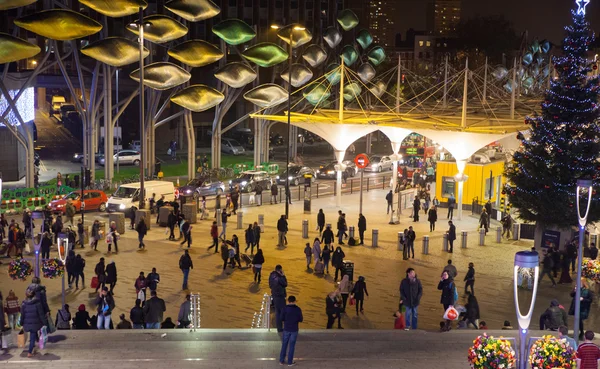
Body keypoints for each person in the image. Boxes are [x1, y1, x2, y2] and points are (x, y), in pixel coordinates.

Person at [20, 287, 47, 357]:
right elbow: (41, 314)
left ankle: (34, 346)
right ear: (34, 295)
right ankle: (29, 352)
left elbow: (22, 315)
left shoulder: (23, 304)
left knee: (33, 335)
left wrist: (21, 322)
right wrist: (44, 323)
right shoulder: (37, 303)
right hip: (35, 323)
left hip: (27, 323)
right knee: (32, 336)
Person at [279, 295, 303, 366]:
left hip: (286, 329)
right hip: (294, 329)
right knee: (292, 346)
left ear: (288, 301)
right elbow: (301, 319)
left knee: (284, 345)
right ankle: (290, 362)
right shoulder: (298, 309)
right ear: (295, 301)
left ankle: (281, 361)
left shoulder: (284, 308)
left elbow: (281, 318)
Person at [269, 265, 288, 332]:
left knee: (277, 311)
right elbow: (285, 284)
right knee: (281, 312)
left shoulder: (271, 275)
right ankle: (280, 328)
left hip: (274, 295)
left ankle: (279, 327)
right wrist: (283, 275)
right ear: (280, 270)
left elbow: (270, 285)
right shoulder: (279, 277)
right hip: (280, 295)